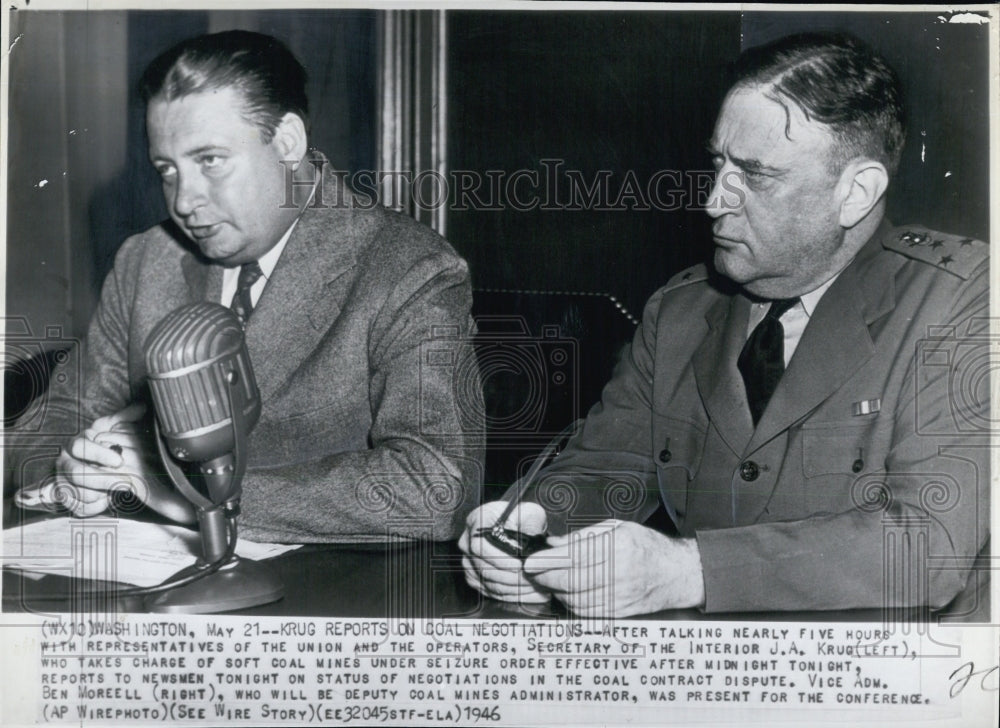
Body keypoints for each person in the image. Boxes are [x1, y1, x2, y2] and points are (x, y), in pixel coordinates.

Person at [460, 32, 989, 615]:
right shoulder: (684, 309)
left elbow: (927, 544)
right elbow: (607, 467)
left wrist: (689, 570)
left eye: (756, 175)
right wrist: (531, 530)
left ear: (856, 193)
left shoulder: (960, 302)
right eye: (718, 163)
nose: (714, 199)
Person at [5, 30, 484, 543]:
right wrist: (74, 470)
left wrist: (189, 495)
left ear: (288, 143)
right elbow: (49, 425)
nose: (184, 200)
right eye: (167, 170)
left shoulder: (409, 268)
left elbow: (437, 488)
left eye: (210, 161)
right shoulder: (147, 260)